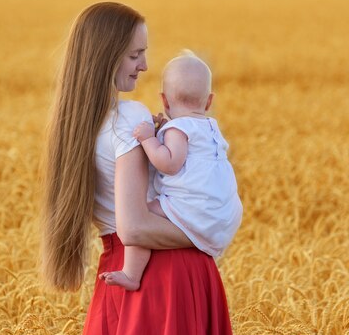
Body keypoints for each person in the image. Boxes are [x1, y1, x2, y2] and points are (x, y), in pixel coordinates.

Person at [41, 2, 238, 335]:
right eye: (135, 55)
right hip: (168, 277)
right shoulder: (128, 116)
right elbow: (134, 228)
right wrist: (213, 231)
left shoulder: (73, 129)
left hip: (119, 273)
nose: (145, 65)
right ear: (107, 56)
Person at [100, 50, 242, 291]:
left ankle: (132, 274)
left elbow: (169, 163)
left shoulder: (178, 128)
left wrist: (148, 140)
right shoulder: (209, 127)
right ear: (209, 101)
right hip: (223, 212)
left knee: (143, 216)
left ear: (164, 101)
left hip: (189, 207)